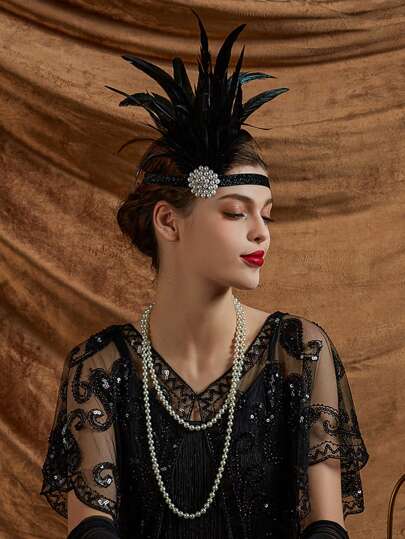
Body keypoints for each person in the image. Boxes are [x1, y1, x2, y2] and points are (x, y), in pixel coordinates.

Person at [40, 8, 369, 539]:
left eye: (267, 215)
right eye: (236, 213)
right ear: (169, 222)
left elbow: (326, 527)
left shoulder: (299, 352)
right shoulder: (100, 367)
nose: (261, 234)